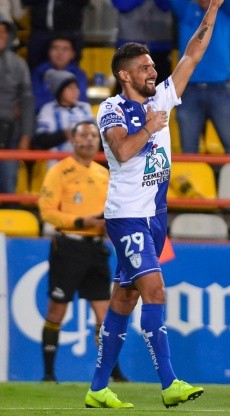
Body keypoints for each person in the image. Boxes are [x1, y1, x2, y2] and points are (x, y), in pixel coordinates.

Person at [83, 0, 223, 408]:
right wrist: (148, 125)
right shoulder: (112, 108)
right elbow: (123, 152)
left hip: (154, 216)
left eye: (152, 66)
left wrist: (211, 11)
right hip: (127, 216)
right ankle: (169, 383)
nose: (153, 71)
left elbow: (193, 53)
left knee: (124, 299)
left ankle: (97, 389)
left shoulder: (163, 97)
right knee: (155, 291)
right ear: (125, 76)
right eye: (145, 67)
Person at [37, 120, 128, 384]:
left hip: (97, 249)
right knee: (57, 310)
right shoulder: (59, 171)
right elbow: (47, 211)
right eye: (83, 136)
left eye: (93, 136)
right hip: (68, 245)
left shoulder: (104, 174)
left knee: (104, 313)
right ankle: (48, 374)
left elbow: (113, 211)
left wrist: (109, 226)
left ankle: (113, 373)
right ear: (74, 141)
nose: (89, 140)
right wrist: (82, 221)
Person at [172, 0, 230, 155]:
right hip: (188, 90)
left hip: (219, 89)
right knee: (188, 152)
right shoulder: (186, 9)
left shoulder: (226, 10)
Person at [0, 14, 34, 195]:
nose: (0, 36)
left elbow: (27, 101)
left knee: (8, 185)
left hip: (10, 134)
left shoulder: (19, 64)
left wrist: (26, 135)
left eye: (4, 32)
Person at [34, 70, 93, 168]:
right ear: (59, 90)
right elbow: (41, 141)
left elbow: (98, 137)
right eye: (70, 88)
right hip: (57, 168)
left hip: (85, 167)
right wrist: (66, 134)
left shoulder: (85, 108)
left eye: (76, 87)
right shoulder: (48, 110)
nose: (75, 91)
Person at [112, 0, 175, 85]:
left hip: (160, 45)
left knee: (160, 92)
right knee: (128, 89)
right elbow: (122, 4)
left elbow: (169, 5)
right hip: (129, 46)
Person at [31, 36, 89, 112]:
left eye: (65, 49)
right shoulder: (38, 73)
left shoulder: (79, 74)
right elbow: (36, 102)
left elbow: (80, 101)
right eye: (55, 48)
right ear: (48, 51)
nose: (60, 53)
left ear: (72, 54)